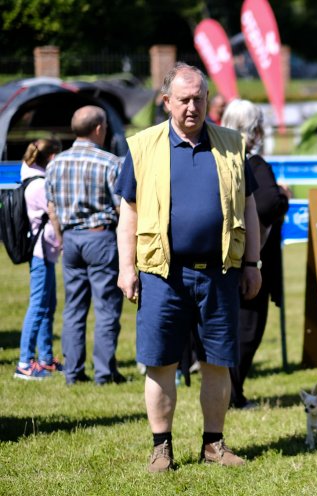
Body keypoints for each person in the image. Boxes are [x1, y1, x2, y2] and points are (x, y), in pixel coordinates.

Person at [115, 63, 262, 473]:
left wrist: (252, 262)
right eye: (184, 99)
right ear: (167, 102)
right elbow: (128, 212)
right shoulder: (142, 146)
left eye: (199, 98)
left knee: (218, 361)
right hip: (163, 273)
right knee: (160, 361)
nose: (192, 106)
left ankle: (213, 444)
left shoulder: (233, 144)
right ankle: (162, 447)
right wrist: (127, 267)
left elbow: (248, 205)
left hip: (220, 272)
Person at [45, 106, 125, 386]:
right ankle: (104, 372)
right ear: (99, 128)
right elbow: (122, 209)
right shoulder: (111, 162)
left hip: (71, 239)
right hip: (100, 237)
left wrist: (62, 239)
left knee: (74, 308)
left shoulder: (55, 163)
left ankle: (73, 371)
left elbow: (52, 207)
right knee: (106, 308)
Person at [220, 99, 290, 409]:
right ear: (256, 129)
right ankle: (233, 394)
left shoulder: (215, 156)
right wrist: (282, 197)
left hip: (219, 255)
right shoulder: (253, 163)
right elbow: (266, 205)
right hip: (249, 258)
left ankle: (229, 392)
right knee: (247, 329)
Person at [14, 138, 63, 380]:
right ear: (52, 157)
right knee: (38, 306)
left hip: (45, 252)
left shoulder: (30, 176)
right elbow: (53, 212)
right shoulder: (40, 184)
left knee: (47, 305)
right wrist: (63, 238)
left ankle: (45, 358)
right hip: (41, 252)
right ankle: (24, 362)